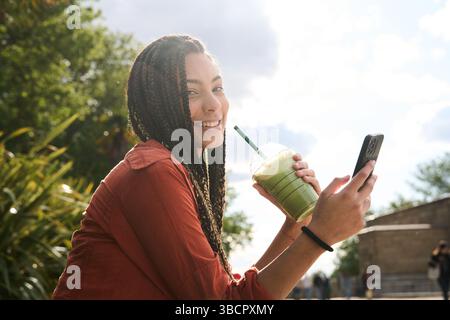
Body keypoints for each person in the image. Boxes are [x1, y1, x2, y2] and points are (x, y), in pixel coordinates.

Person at [52, 34, 377, 299]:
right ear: (159, 103)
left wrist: (296, 227)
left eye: (218, 88)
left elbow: (227, 292)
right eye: (191, 92)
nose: (213, 104)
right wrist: (319, 236)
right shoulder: (153, 171)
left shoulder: (176, 170)